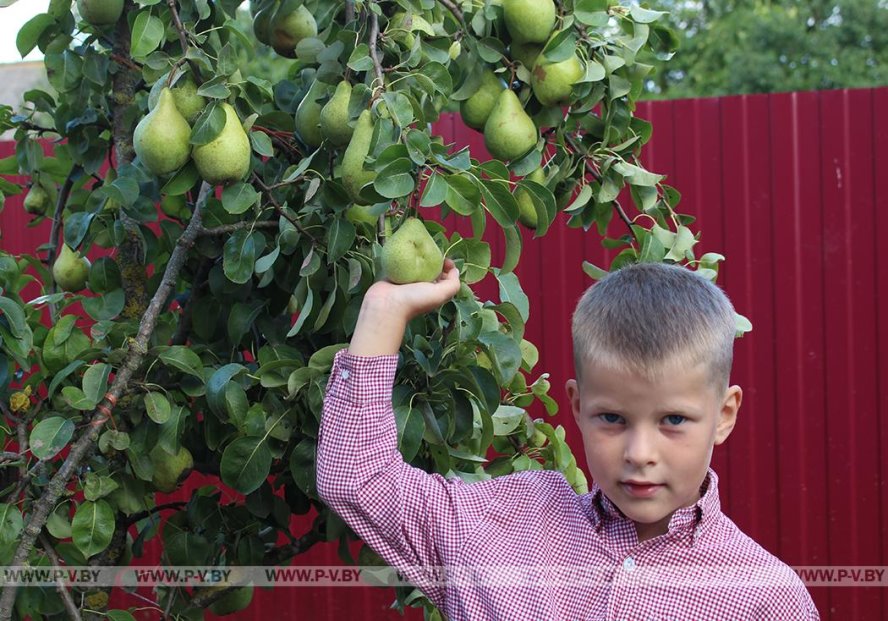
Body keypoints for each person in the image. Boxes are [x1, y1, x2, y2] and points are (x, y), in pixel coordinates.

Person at [317, 259, 819, 620]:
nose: (639, 454)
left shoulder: (764, 598)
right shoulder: (502, 527)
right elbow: (357, 478)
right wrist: (384, 312)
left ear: (724, 414)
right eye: (613, 419)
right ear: (577, 406)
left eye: (673, 421)